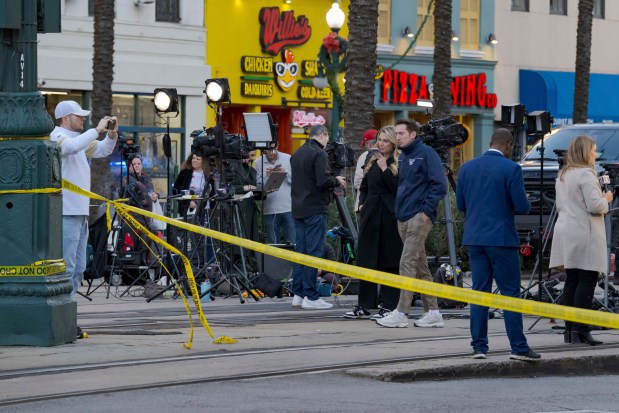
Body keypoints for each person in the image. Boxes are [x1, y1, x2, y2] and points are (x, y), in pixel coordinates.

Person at [456, 128, 541, 361]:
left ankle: (479, 347)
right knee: (510, 294)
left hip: (475, 238)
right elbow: (522, 206)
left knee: (479, 292)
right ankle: (518, 347)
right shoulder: (511, 168)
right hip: (502, 238)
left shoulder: (467, 168)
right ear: (509, 145)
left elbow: (461, 204)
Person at [50, 100, 118, 338]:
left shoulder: (78, 140)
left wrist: (110, 136)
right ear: (66, 117)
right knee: (68, 267)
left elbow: (101, 150)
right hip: (67, 211)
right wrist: (97, 130)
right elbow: (70, 148)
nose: (82, 119)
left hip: (79, 212)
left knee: (79, 268)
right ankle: (63, 319)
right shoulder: (56, 137)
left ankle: (68, 318)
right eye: (79, 116)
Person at [377, 118, 446, 328]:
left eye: (401, 134)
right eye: (396, 134)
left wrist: (426, 211)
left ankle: (402, 312)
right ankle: (433, 311)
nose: (397, 137)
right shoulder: (404, 157)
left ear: (413, 134)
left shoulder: (426, 154)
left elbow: (440, 185)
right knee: (419, 265)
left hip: (418, 216)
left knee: (406, 261)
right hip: (404, 216)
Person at [550, 135, 612, 346]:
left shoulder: (563, 174)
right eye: (594, 150)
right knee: (587, 279)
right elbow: (595, 206)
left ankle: (570, 330)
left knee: (572, 280)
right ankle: (581, 329)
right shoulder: (586, 173)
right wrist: (607, 199)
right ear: (586, 152)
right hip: (584, 232)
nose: (595, 154)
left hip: (566, 231)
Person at [344, 126, 401, 320]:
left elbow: (397, 188)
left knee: (389, 260)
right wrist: (362, 204)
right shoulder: (372, 159)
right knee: (366, 259)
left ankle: (389, 304)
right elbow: (365, 186)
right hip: (371, 213)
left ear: (393, 143)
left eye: (385, 140)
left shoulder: (398, 161)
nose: (381, 144)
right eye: (380, 140)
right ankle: (365, 303)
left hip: (390, 215)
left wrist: (386, 169)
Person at [290, 125, 346, 310]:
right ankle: (311, 297)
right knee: (314, 252)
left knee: (301, 252)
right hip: (314, 208)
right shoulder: (319, 154)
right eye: (327, 137)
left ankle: (298, 294)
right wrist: (337, 180)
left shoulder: (297, 153)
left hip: (298, 208)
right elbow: (323, 181)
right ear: (322, 135)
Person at [253, 145, 295, 244]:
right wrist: (267, 176)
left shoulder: (288, 158)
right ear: (263, 150)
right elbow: (257, 187)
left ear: (277, 145)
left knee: (293, 242)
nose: (271, 152)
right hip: (269, 210)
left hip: (289, 208)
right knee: (273, 245)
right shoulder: (258, 162)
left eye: (273, 149)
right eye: (268, 150)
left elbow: (297, 181)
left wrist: (285, 172)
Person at [353, 129, 378, 222]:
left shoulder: (365, 156)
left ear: (369, 144)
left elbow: (357, 182)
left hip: (364, 204)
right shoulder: (389, 155)